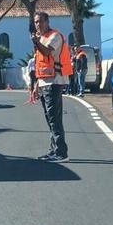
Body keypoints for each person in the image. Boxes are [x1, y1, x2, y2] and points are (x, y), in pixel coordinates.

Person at [30, 11, 72, 163]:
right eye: (36, 22)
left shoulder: (55, 36)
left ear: (47, 22)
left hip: (55, 82)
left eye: (40, 21)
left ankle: (62, 152)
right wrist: (36, 85)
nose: (38, 25)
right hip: (44, 83)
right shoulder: (41, 38)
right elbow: (39, 64)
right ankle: (53, 150)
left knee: (54, 118)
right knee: (49, 118)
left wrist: (36, 42)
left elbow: (47, 52)